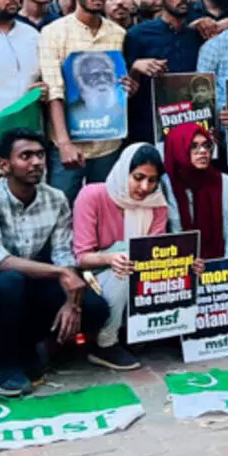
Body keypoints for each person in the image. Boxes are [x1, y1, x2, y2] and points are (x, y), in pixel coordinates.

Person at [0, 128, 112, 395]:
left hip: (27, 289)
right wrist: (62, 274)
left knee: (94, 308)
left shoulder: (55, 198)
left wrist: (71, 303)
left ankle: (26, 345)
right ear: (4, 165)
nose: (36, 162)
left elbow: (64, 256)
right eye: (25, 156)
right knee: (8, 282)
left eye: (40, 155)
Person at [73, 143, 184, 371]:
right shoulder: (92, 195)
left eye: (152, 180)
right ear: (124, 171)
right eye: (138, 177)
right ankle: (105, 343)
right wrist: (112, 258)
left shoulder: (156, 203)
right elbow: (82, 257)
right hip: (96, 274)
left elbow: (155, 251)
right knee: (125, 266)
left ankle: (145, 332)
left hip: (139, 269)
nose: (145, 187)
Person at [39, 0, 127, 203]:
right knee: (61, 209)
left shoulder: (118, 34)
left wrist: (132, 84)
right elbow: (54, 91)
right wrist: (65, 143)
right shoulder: (54, 32)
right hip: (69, 145)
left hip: (109, 142)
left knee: (107, 209)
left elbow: (121, 86)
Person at [125, 0, 202, 141]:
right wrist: (136, 68)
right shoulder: (137, 35)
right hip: (148, 130)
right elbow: (126, 88)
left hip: (190, 127)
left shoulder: (199, 33)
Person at [161, 123, 228, 259]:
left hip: (220, 268)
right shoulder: (165, 184)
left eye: (207, 145)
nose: (203, 151)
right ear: (178, 149)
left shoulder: (224, 182)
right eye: (193, 146)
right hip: (179, 266)